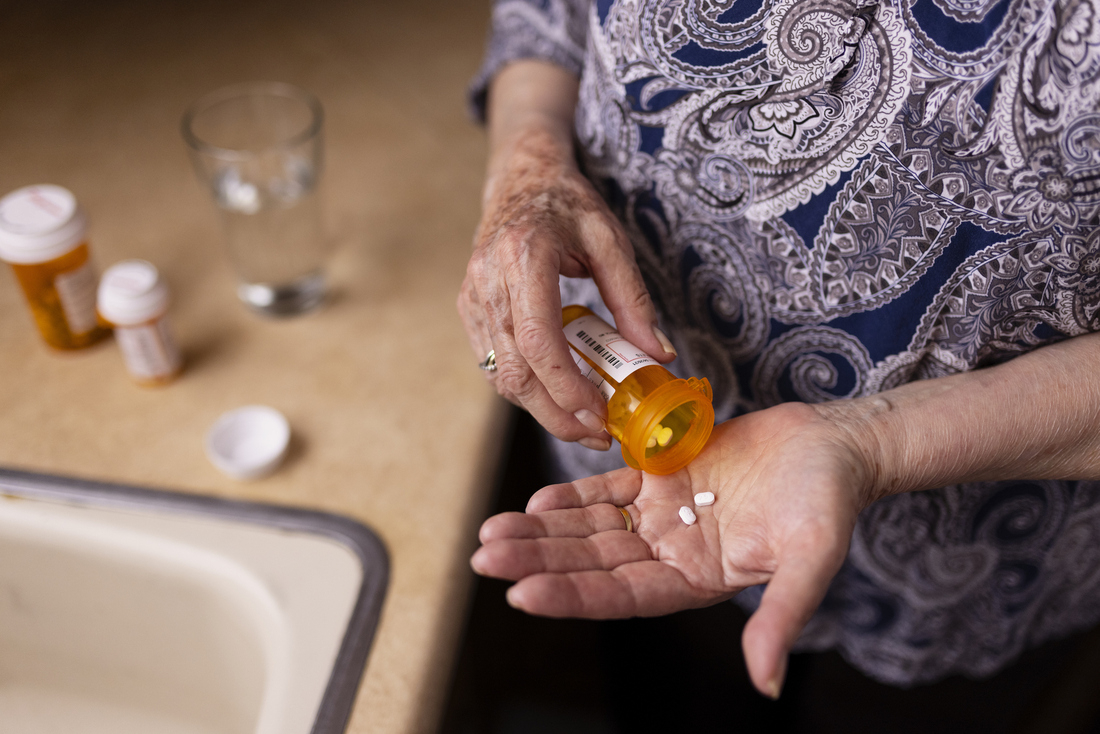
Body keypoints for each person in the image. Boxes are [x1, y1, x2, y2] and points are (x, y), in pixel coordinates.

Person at [457, 0, 1100, 701]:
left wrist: (872, 443)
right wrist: (527, 169)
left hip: (972, 564)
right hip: (650, 501)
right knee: (679, 693)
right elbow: (548, 19)